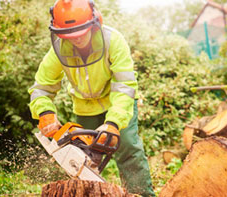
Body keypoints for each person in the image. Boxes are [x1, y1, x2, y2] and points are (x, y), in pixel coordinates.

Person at [28, 0, 155, 196]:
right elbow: (41, 88)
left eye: (80, 34)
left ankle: (142, 195)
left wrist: (113, 123)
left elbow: (125, 86)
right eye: (69, 36)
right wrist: (45, 112)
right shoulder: (59, 49)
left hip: (118, 103)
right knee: (82, 158)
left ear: (94, 23)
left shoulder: (113, 41)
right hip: (85, 108)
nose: (76, 40)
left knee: (128, 149)